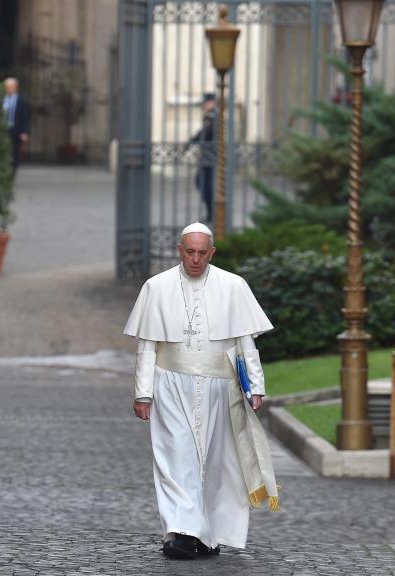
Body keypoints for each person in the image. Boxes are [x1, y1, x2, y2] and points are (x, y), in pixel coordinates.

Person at [123, 222, 279, 560]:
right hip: (171, 382)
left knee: (215, 463)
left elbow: (245, 343)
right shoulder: (156, 286)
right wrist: (143, 393)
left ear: (211, 253)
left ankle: (206, 535)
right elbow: (147, 345)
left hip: (219, 387)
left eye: (202, 253)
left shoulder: (233, 286)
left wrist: (255, 387)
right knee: (176, 458)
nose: (195, 259)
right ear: (180, 251)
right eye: (189, 252)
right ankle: (180, 533)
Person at [191, 93, 216, 222]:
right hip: (206, 158)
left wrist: (196, 139)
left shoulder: (214, 117)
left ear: (212, 102)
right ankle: (211, 212)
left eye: (205, 102)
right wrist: (193, 140)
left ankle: (213, 213)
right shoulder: (209, 116)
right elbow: (203, 132)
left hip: (211, 158)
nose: (203, 105)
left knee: (206, 185)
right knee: (202, 183)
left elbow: (207, 133)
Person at [2, 77, 30, 178]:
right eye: (7, 87)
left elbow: (25, 117)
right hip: (3, 130)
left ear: (15, 88)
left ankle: (11, 173)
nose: (9, 89)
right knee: (3, 152)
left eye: (11, 87)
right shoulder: (1, 99)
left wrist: (25, 132)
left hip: (15, 130)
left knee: (14, 154)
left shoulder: (20, 101)